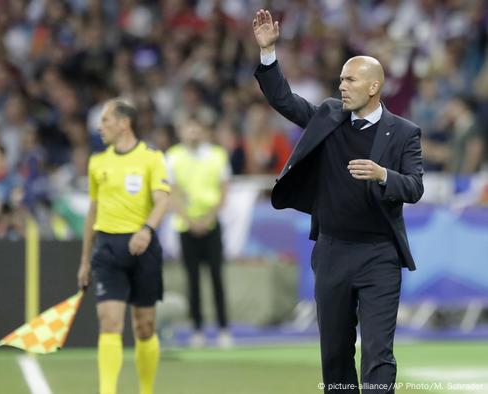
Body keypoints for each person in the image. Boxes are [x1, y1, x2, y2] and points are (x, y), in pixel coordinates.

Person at [252, 9, 423, 394]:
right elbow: (283, 99)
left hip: (380, 255)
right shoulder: (328, 116)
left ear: (374, 86)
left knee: (379, 354)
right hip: (331, 252)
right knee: (334, 355)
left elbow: (414, 187)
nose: (341, 85)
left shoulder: (404, 133)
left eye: (350, 79)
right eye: (341, 78)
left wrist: (383, 175)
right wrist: (268, 54)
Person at [77, 99, 170, 394]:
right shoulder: (97, 162)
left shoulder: (151, 158)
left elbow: (163, 200)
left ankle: (146, 390)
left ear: (124, 123)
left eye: (105, 120)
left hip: (143, 247)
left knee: (144, 327)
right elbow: (92, 211)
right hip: (107, 248)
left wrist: (146, 230)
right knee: (109, 323)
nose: (99, 126)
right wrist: (84, 259)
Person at [166, 116, 232, 348]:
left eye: (196, 127)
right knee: (192, 280)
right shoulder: (172, 156)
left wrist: (207, 218)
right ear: (181, 131)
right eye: (188, 127)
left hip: (211, 225)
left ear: (203, 130)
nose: (192, 132)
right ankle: (197, 330)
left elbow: (224, 190)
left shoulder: (217, 155)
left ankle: (223, 329)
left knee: (216, 278)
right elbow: (171, 192)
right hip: (186, 226)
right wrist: (189, 220)